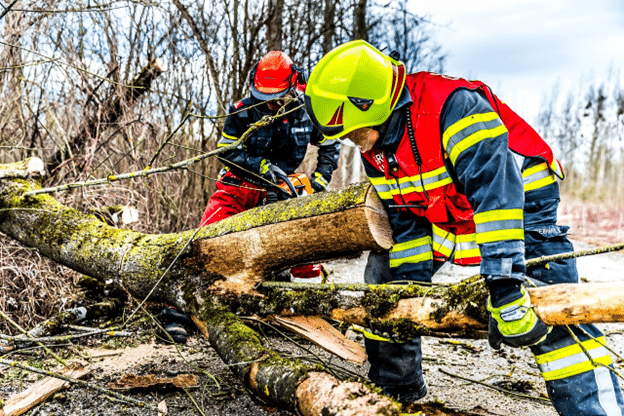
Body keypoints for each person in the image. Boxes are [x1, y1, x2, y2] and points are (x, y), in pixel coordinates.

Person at [304, 40, 624, 416]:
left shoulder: (454, 108)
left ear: (370, 105)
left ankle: (599, 410)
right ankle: (395, 388)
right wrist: (409, 294)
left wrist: (504, 287)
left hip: (520, 211)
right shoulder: (377, 145)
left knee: (555, 312)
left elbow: (497, 197)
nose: (351, 140)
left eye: (354, 132)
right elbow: (406, 220)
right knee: (385, 280)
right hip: (446, 211)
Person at [199, 50, 340, 276]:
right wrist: (261, 166)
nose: (270, 104)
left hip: (284, 188)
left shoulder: (305, 112)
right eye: (265, 98)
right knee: (206, 241)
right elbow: (225, 151)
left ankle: (309, 298)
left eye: (276, 98)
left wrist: (319, 183)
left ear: (293, 85)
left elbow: (330, 144)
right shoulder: (241, 111)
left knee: (305, 251)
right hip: (239, 186)